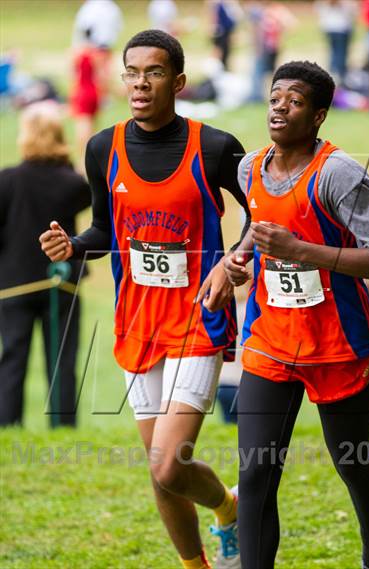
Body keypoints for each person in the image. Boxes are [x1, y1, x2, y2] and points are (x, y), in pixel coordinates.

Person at [40, 29, 250, 569]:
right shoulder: (101, 147)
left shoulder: (215, 147)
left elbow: (262, 213)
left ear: (177, 82)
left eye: (153, 72)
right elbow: (105, 231)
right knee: (159, 468)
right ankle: (197, 563)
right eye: (131, 72)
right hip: (137, 323)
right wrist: (73, 246)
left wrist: (232, 264)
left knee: (167, 463)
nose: (139, 82)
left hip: (198, 320)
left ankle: (229, 507)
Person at [224, 61, 369, 569]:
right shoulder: (250, 167)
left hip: (337, 343)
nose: (280, 106)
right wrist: (240, 260)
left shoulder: (338, 174)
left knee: (352, 460)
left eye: (295, 100)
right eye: (275, 96)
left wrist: (301, 250)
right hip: (270, 341)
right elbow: (256, 229)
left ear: (319, 114)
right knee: (256, 471)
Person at [0, 101, 91, 427]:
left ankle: (7, 424)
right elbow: (86, 191)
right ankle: (63, 426)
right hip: (61, 283)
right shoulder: (71, 183)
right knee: (62, 360)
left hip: (14, 283)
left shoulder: (7, 180)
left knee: (12, 357)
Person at [70, 28, 101, 173]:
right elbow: (101, 75)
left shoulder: (76, 53)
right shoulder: (96, 53)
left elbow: (72, 75)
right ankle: (92, 159)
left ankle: (82, 161)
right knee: (93, 126)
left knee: (82, 127)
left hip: (82, 91)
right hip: (94, 90)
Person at [315, 0, 357, 84]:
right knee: (341, 53)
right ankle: (339, 75)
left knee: (334, 51)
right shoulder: (345, 3)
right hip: (341, 28)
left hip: (329, 28)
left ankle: (333, 72)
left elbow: (319, 10)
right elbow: (352, 12)